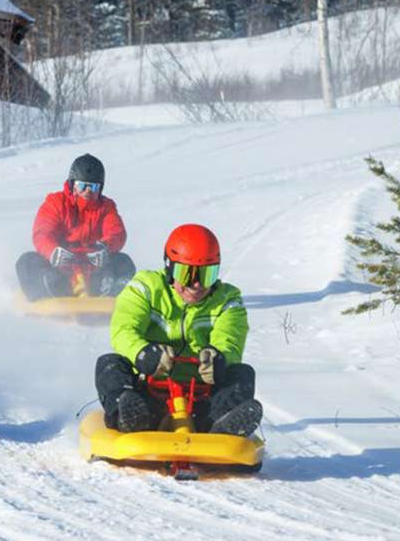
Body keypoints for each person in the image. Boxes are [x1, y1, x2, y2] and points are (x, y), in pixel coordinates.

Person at [94, 223, 262, 436]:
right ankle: (130, 418)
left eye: (206, 275)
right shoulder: (145, 287)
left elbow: (230, 338)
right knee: (110, 364)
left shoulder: (228, 300)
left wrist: (219, 359)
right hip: (148, 389)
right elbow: (123, 329)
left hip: (203, 395)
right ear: (170, 268)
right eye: (187, 273)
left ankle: (221, 424)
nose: (196, 285)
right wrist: (142, 353)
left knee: (242, 373)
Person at [16, 153, 135, 300]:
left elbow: (117, 232)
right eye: (82, 186)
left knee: (124, 262)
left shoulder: (106, 207)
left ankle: (112, 295)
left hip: (94, 269)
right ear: (73, 185)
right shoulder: (56, 203)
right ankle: (47, 292)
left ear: (101, 188)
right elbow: (42, 233)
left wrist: (106, 247)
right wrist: (51, 251)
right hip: (60, 268)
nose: (88, 191)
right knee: (27, 262)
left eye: (93, 186)